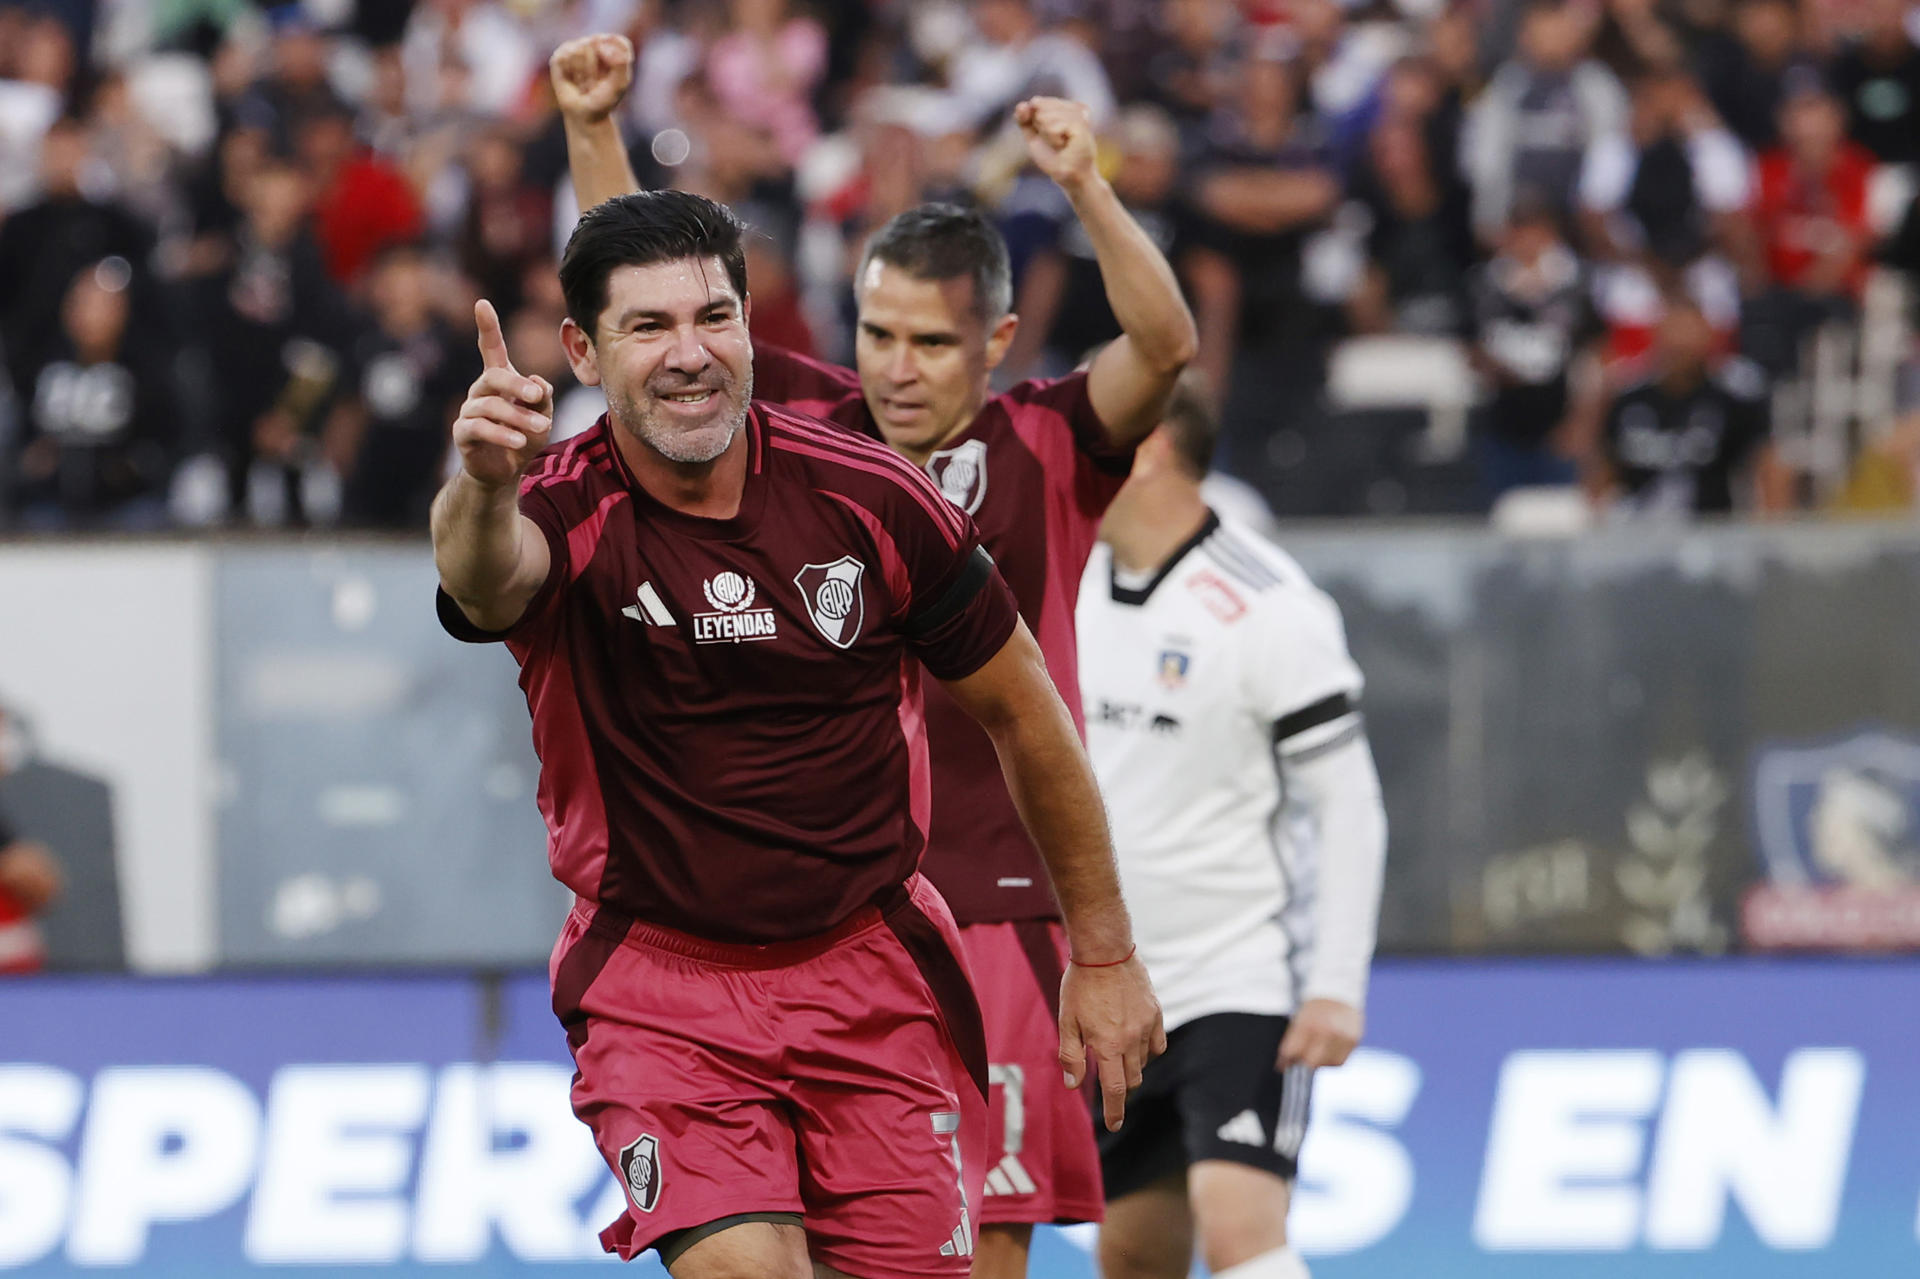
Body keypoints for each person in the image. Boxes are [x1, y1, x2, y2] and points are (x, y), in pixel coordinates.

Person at [551, 34, 1198, 1279]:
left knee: (986, 1242)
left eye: (932, 344)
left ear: (998, 342)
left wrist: (1087, 183)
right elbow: (649, 321)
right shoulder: (819, 432)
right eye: (878, 336)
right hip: (839, 897)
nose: (897, 370)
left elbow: (1164, 349)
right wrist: (595, 132)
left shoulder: (1051, 442)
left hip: (995, 905)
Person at [1076, 373, 1388, 1279]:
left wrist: (1336, 982)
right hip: (1116, 993)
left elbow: (1349, 803)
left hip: (1238, 973)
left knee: (1238, 1220)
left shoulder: (1270, 605)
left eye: (1088, 435)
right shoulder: (1067, 576)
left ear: (1151, 450)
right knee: (1133, 1250)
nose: (1063, 454)